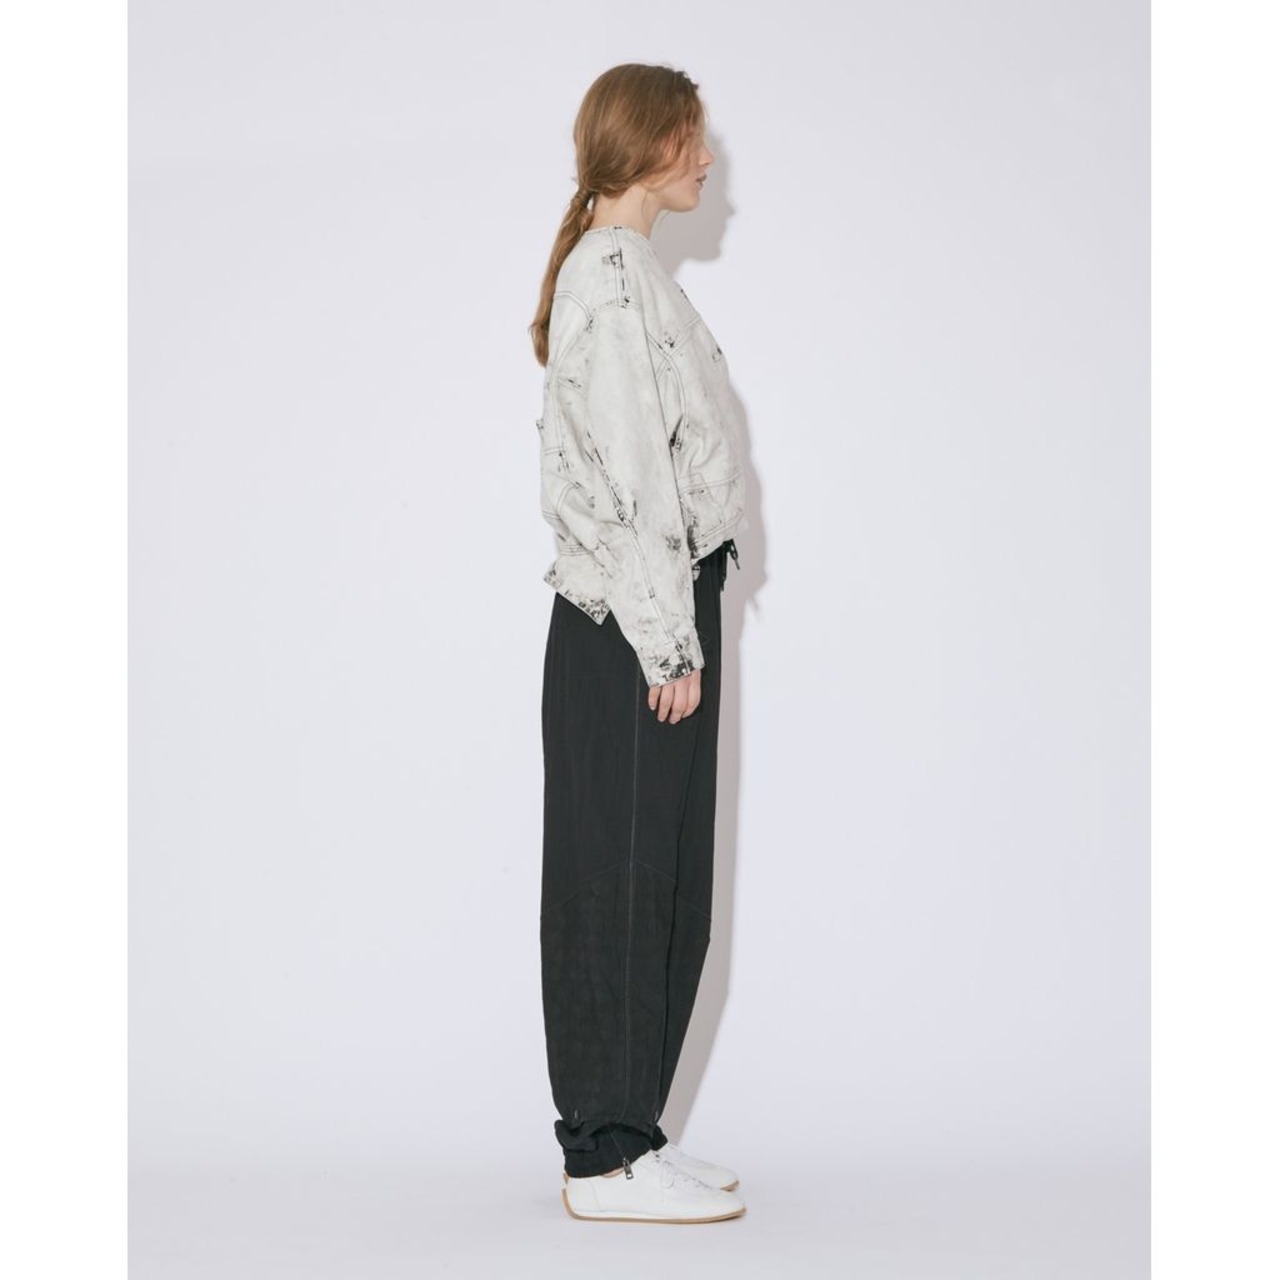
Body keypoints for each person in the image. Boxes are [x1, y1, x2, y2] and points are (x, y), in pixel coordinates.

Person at [529, 62, 748, 1225]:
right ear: (651, 146)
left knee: (661, 880)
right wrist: (668, 643)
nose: (706, 159)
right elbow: (633, 480)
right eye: (692, 139)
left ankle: (634, 1132)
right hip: (629, 621)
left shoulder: (625, 271)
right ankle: (603, 1155)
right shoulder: (611, 278)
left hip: (650, 611)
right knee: (618, 882)